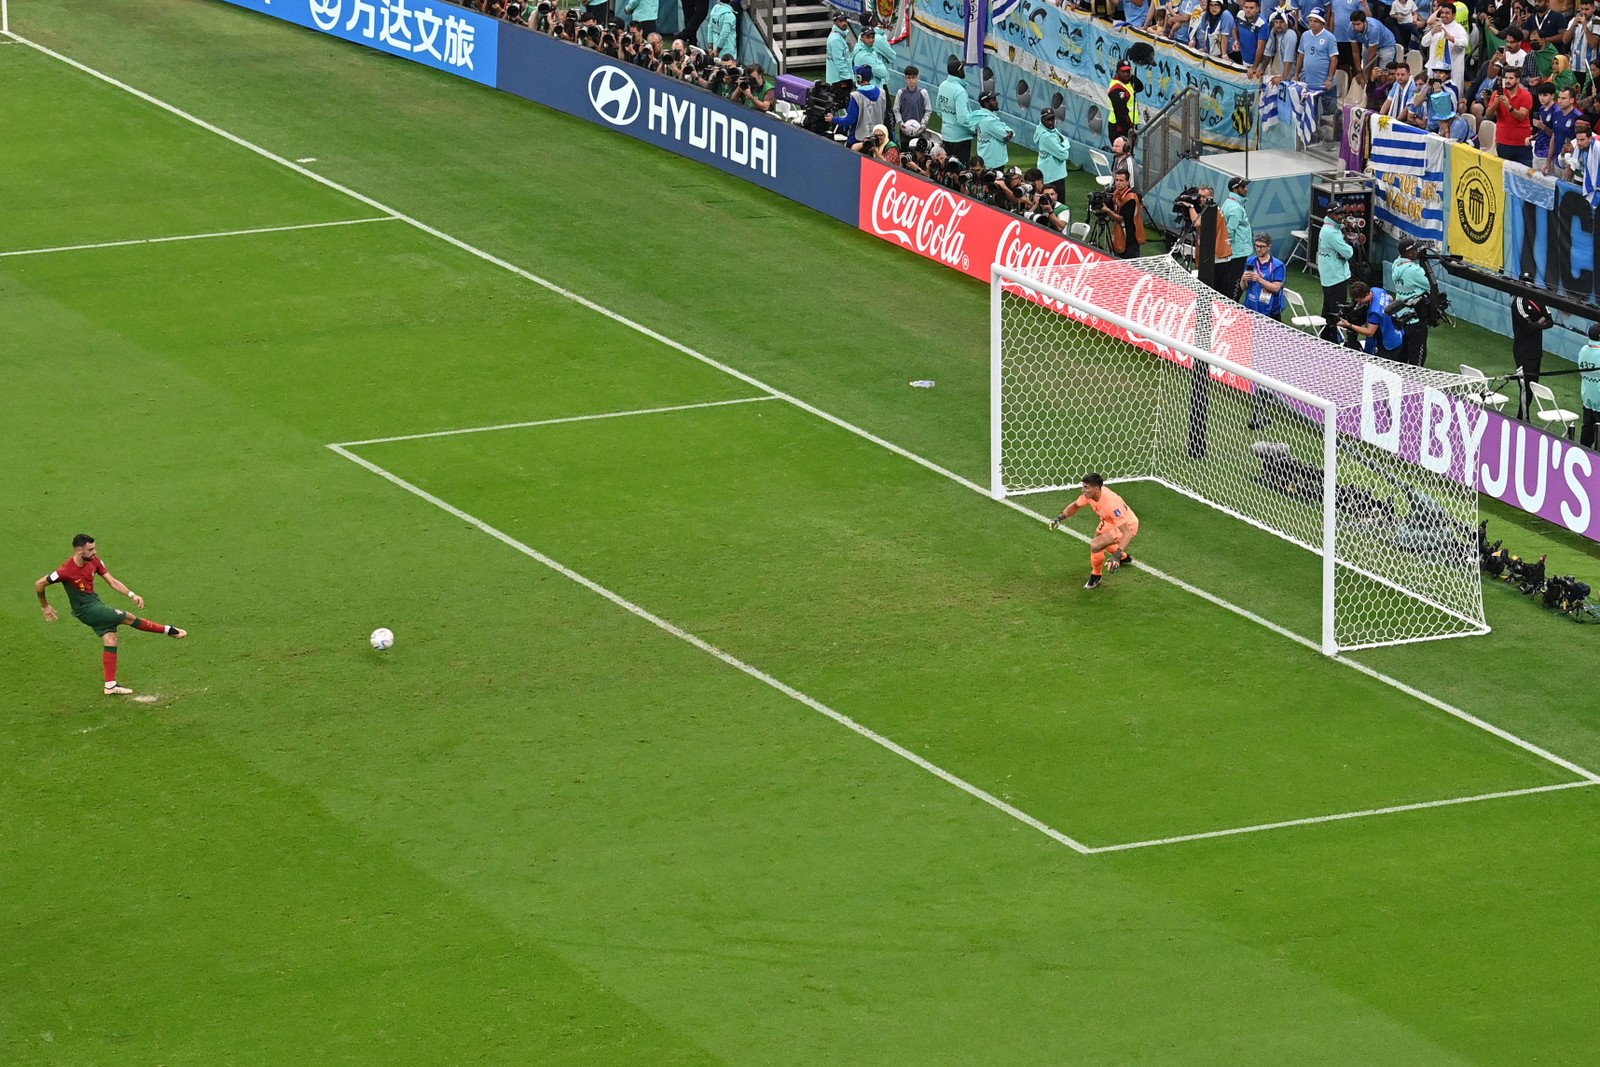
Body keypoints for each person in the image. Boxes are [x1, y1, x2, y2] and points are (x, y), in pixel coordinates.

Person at [35, 534, 187, 697]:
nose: (95, 552)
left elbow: (112, 581)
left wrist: (132, 594)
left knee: (111, 639)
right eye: (90, 549)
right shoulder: (65, 571)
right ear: (79, 550)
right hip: (87, 611)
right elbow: (40, 583)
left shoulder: (94, 561)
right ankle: (169, 630)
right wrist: (45, 606)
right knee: (127, 617)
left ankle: (110, 685)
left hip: (96, 604)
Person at [1048, 473, 1140, 590]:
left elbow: (1127, 532)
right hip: (1109, 521)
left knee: (1096, 545)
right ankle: (1123, 557)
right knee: (1099, 542)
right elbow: (1076, 505)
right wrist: (1060, 518)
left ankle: (1096, 576)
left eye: (1086, 487)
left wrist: (1115, 556)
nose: (1083, 490)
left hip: (1128, 525)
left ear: (1096, 489)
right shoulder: (1090, 496)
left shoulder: (1111, 503)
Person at [1511, 276, 1553, 419]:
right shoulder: (1518, 302)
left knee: (1533, 386)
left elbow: (1550, 320)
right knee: (1524, 387)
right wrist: (1540, 322)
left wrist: (1538, 323)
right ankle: (1523, 418)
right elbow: (1528, 327)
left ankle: (1523, 416)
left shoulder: (1538, 299)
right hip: (1523, 351)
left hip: (1536, 351)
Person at [1295, 9, 1339, 134]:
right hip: (1309, 82)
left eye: (1315, 21)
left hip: (1324, 83)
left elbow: (1334, 59)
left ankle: (1331, 137)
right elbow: (1301, 56)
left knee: (1329, 112)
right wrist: (1297, 74)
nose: (1312, 24)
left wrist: (1329, 79)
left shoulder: (1329, 37)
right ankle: (1313, 134)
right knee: (1311, 110)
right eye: (1310, 21)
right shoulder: (1305, 36)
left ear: (1322, 23)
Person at [1317, 202, 1356, 343]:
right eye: (1337, 214)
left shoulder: (1329, 228)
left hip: (1330, 276)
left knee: (1328, 309)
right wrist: (1348, 245)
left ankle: (1325, 339)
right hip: (1336, 277)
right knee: (1337, 312)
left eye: (1342, 213)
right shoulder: (1331, 233)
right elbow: (1348, 252)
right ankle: (1333, 341)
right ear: (1329, 214)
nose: (1341, 216)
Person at [1390, 237, 1432, 366]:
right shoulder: (1414, 270)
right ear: (1408, 253)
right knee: (1417, 353)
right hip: (1416, 317)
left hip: (1401, 315)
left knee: (1403, 349)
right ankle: (1414, 381)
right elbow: (1432, 286)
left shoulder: (1396, 264)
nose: (1417, 251)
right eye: (1415, 249)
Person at [1341, 279, 1407, 360]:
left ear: (1367, 294)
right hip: (1397, 332)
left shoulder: (1374, 312)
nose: (1360, 303)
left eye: (1360, 301)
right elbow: (1390, 298)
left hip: (1389, 343)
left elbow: (1370, 332)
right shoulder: (1376, 290)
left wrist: (1349, 325)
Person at [1485, 68, 1535, 163]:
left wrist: (1508, 106)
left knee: (1523, 173)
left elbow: (1521, 116)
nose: (1507, 81)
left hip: (1522, 143)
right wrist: (1495, 103)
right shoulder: (1497, 94)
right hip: (1503, 142)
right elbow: (1488, 114)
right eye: (1506, 78)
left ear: (1518, 80)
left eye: (1511, 78)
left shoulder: (1526, 95)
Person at [1217, 177, 1253, 298]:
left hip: (1234, 252)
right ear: (1235, 189)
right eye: (1243, 187)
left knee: (1229, 281)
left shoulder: (1229, 202)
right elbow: (1229, 232)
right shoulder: (1236, 208)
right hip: (1237, 252)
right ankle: (1231, 305)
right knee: (1235, 283)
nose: (1246, 189)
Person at [936, 57, 976, 166]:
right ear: (958, 71)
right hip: (960, 138)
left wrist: (949, 120)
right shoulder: (960, 91)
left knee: (947, 167)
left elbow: (939, 110)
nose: (964, 70)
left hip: (946, 135)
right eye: (962, 68)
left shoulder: (943, 85)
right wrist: (974, 129)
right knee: (959, 169)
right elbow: (963, 118)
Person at [1241, 233, 1288, 319]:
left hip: (1270, 311)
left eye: (1262, 247)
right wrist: (1243, 279)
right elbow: (1244, 288)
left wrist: (1259, 279)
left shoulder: (1278, 266)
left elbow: (1276, 288)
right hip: (1250, 308)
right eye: (1256, 246)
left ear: (1269, 246)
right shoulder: (1250, 261)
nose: (1258, 249)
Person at [1101, 170, 1146, 258]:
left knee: (1131, 265)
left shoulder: (1131, 198)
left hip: (1131, 236)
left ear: (1127, 182)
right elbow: (1109, 207)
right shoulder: (1116, 194)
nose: (1118, 183)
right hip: (1120, 233)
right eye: (1116, 180)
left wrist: (1108, 211)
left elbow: (1121, 219)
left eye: (1121, 181)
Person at [840, 65, 888, 147]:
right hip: (877, 139)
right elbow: (884, 114)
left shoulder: (856, 96)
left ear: (859, 78)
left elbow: (849, 120)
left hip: (858, 139)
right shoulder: (882, 93)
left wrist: (833, 119)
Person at [1034, 108, 1072, 202]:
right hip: (1054, 175)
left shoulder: (1046, 129)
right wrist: (1065, 144)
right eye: (1048, 120)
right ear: (1042, 120)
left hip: (1050, 172)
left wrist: (1063, 143)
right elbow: (1064, 155)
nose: (1051, 122)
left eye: (1052, 119)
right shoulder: (1047, 136)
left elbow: (1064, 139)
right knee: (1057, 203)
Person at [971, 90, 1015, 169]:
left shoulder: (979, 115)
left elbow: (1003, 126)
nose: (997, 102)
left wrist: (1008, 131)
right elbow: (1005, 137)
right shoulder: (989, 121)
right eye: (993, 100)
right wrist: (1010, 132)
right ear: (986, 103)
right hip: (994, 163)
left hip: (985, 158)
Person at [893, 66, 932, 145]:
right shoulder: (900, 93)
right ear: (905, 78)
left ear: (918, 77)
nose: (911, 81)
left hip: (919, 132)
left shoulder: (923, 93)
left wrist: (923, 124)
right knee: (905, 152)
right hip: (904, 132)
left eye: (913, 77)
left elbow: (928, 110)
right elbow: (896, 110)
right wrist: (900, 124)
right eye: (908, 78)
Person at [1108, 60, 1143, 144]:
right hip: (1120, 128)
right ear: (1117, 72)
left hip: (1130, 126)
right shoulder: (1117, 88)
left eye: (1128, 71)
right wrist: (1129, 130)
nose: (1126, 74)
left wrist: (1132, 77)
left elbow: (1140, 87)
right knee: (1121, 153)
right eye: (1123, 71)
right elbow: (1120, 113)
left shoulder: (1127, 83)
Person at [851, 23, 894, 89]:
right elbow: (883, 73)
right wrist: (880, 62)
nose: (871, 40)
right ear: (862, 38)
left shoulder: (869, 50)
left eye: (872, 37)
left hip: (870, 89)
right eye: (868, 37)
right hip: (870, 91)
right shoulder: (864, 55)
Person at [1579, 323, 1600, 449]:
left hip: (1587, 396)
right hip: (1598, 399)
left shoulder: (1583, 350)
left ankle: (1583, 450)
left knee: (1587, 426)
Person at [704, 0, 737, 64]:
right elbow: (724, 34)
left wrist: (710, 47)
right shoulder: (729, 15)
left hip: (715, 48)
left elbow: (710, 28)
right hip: (727, 51)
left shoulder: (714, 9)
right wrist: (717, 51)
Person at [825, 11, 854, 85]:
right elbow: (839, 61)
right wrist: (847, 78)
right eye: (841, 21)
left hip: (837, 79)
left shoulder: (838, 36)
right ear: (835, 22)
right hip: (840, 80)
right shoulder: (836, 39)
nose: (844, 23)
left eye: (845, 20)